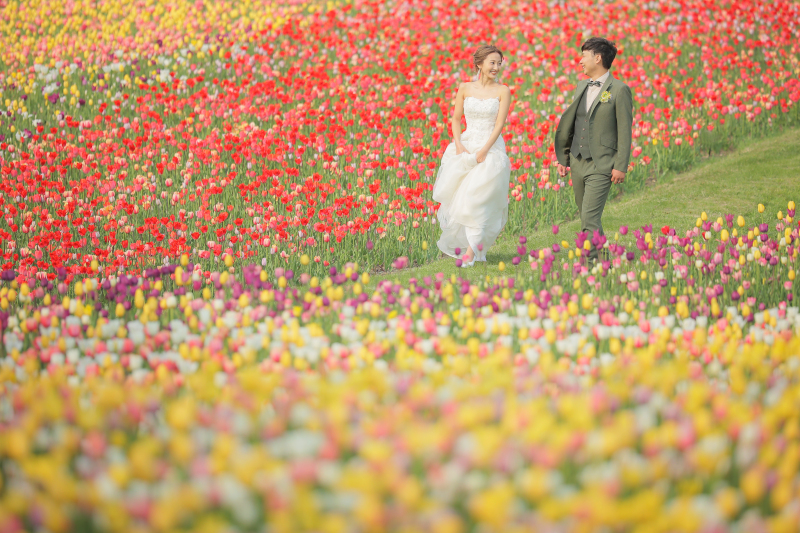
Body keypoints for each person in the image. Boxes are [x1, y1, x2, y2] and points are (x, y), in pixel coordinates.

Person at [554, 37, 633, 263]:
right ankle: (604, 257)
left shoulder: (619, 90)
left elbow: (625, 130)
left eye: (584, 56)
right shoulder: (582, 86)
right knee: (587, 217)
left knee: (589, 217)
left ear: (597, 58)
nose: (580, 61)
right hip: (577, 161)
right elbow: (575, 123)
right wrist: (564, 157)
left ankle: (590, 266)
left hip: (602, 164)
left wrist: (620, 166)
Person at [432, 45, 512, 268]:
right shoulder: (465, 88)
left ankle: (469, 252)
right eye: (492, 63)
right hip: (466, 146)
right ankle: (473, 250)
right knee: (462, 200)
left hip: (490, 149)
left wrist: (485, 149)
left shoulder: (503, 91)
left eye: (499, 63)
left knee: (479, 199)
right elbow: (456, 119)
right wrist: (458, 144)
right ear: (479, 64)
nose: (496, 67)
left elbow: (499, 124)